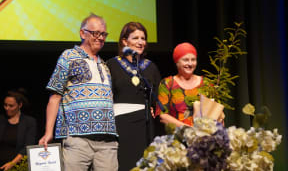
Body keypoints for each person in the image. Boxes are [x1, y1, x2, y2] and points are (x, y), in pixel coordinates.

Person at [38, 14, 118, 171]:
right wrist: (48, 132)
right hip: (77, 138)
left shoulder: (104, 65)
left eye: (103, 34)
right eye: (96, 33)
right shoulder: (68, 56)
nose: (100, 38)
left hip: (107, 141)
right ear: (83, 33)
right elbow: (55, 96)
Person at [106, 22, 161, 171]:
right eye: (136, 38)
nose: (140, 42)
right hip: (121, 125)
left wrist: (153, 109)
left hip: (145, 126)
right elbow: (106, 98)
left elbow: (157, 99)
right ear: (124, 41)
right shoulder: (111, 65)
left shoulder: (151, 67)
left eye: (143, 38)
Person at [155, 42, 206, 127]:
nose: (190, 64)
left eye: (193, 59)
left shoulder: (206, 84)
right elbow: (163, 115)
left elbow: (216, 112)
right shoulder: (167, 84)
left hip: (204, 137)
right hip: (177, 137)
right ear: (177, 62)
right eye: (185, 60)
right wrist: (188, 130)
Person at [0, 89, 37, 171]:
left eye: (11, 106)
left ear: (20, 105)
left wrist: (12, 163)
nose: (7, 108)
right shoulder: (1, 119)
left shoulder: (29, 122)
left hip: (17, 166)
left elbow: (28, 146)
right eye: (5, 105)